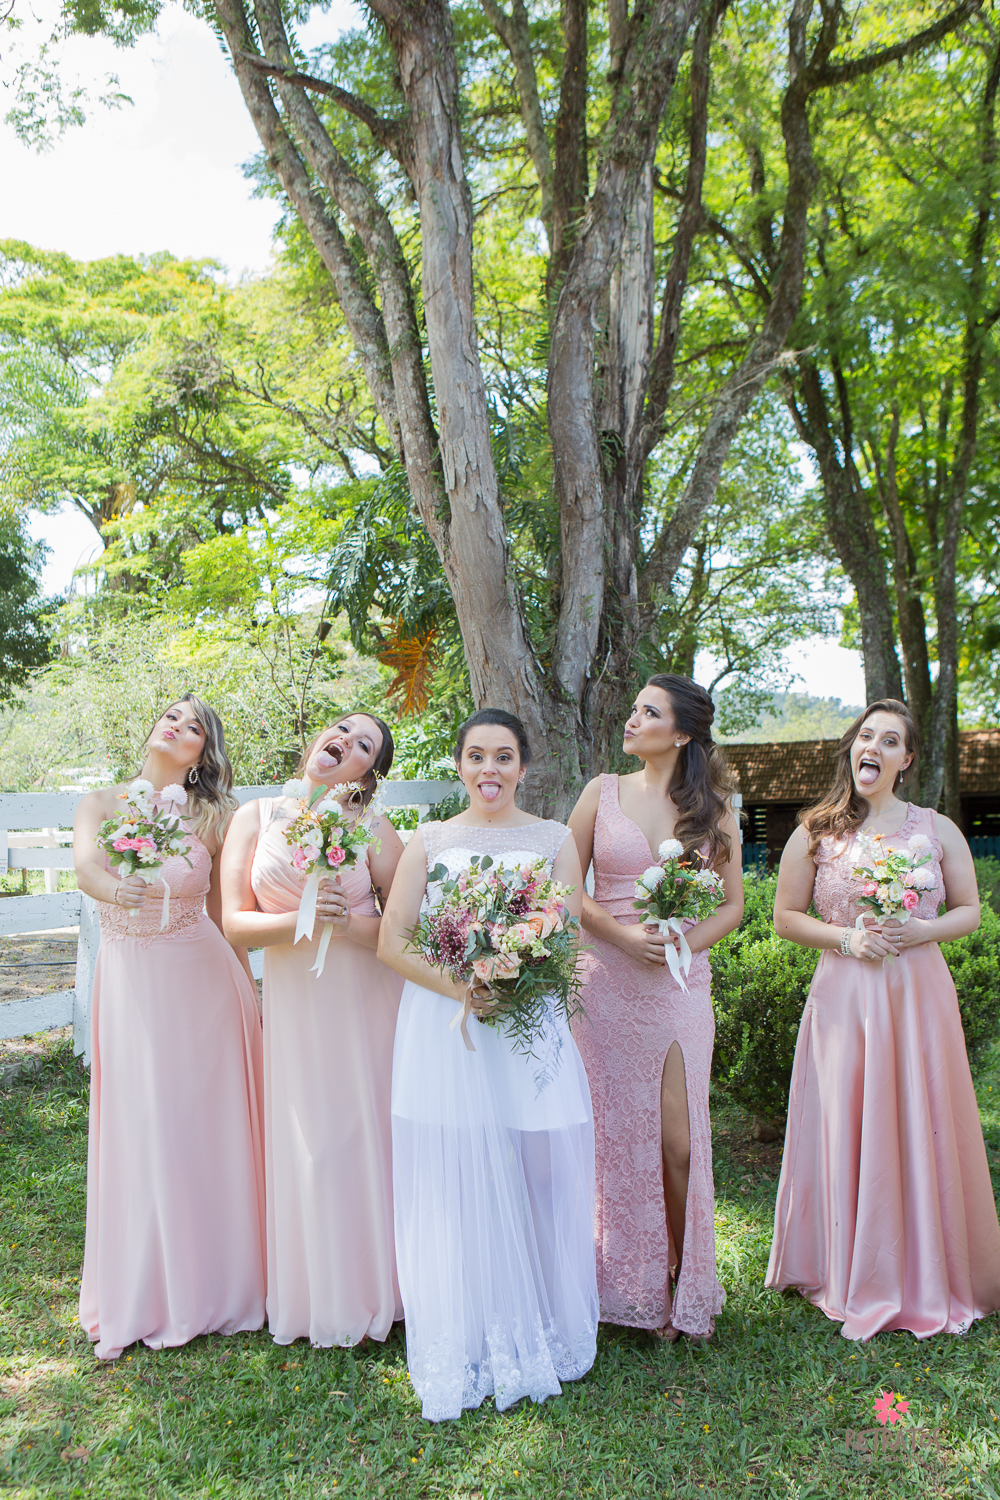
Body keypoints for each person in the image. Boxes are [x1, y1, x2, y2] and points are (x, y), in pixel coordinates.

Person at [378, 709, 598, 1421]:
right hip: (449, 1028)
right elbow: (394, 941)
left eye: (504, 757)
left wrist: (516, 973)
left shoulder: (556, 839)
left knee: (538, 1166)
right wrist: (465, 988)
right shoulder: (429, 840)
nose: (490, 770)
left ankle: (539, 1316)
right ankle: (467, 1324)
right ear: (460, 764)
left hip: (528, 1024)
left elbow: (559, 931)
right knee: (454, 1170)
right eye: (476, 756)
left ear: (524, 766)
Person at [766, 698, 1000, 1339]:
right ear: (853, 748)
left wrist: (922, 928)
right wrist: (846, 940)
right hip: (846, 996)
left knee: (920, 1116)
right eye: (865, 735)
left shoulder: (936, 828)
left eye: (889, 740)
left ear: (906, 759)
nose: (873, 746)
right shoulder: (815, 830)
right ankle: (848, 1267)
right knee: (850, 1117)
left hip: (917, 992)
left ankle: (929, 1269)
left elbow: (970, 910)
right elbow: (786, 919)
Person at [75, 694, 265, 1361]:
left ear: (202, 753)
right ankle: (148, 1286)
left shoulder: (214, 817)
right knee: (142, 1122)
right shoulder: (100, 803)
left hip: (202, 982)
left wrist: (250, 989)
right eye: (173, 717)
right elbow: (85, 868)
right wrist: (113, 889)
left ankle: (217, 1281)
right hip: (130, 983)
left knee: (198, 1124)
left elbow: (223, 911)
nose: (178, 727)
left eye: (194, 728)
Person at [568, 674, 743, 1340]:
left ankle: (679, 1277)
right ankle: (625, 1283)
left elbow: (733, 904)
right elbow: (567, 886)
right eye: (636, 708)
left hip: (678, 984)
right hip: (605, 980)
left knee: (677, 1142)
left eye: (650, 711)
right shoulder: (600, 793)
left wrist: (680, 946)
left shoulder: (713, 807)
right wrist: (620, 936)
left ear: (683, 732)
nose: (633, 718)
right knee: (610, 1136)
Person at [222, 712, 405, 1348]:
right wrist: (300, 919)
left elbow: (407, 929)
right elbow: (232, 924)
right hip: (296, 1005)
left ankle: (384, 1287)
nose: (347, 744)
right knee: (309, 1143)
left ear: (368, 774)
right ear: (318, 741)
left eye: (365, 747)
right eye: (344, 731)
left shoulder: (374, 828)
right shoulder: (255, 816)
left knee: (363, 1135)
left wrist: (345, 922)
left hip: (363, 1001)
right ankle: (316, 1293)